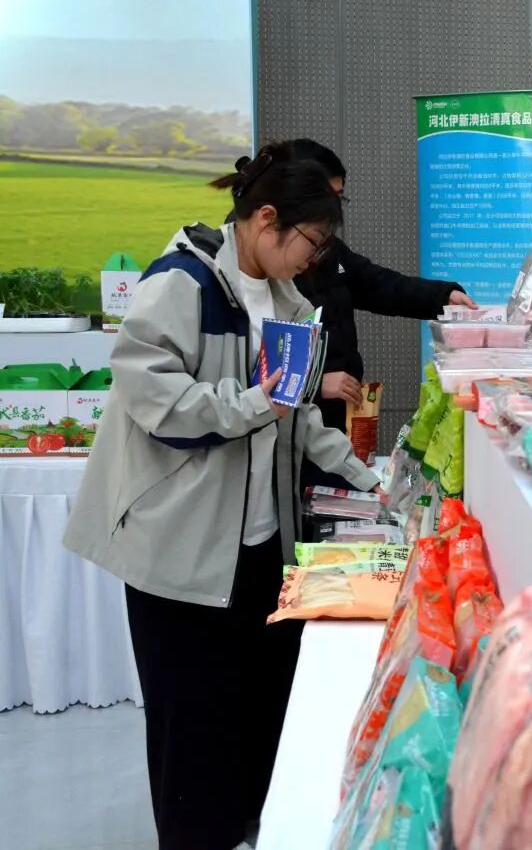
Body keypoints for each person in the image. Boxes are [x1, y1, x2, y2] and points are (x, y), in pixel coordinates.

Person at [63, 142, 380, 850]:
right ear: (266, 219)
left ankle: (247, 828)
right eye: (311, 242)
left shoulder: (291, 303)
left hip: (261, 547)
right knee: (191, 728)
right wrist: (253, 404)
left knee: (253, 712)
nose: (314, 260)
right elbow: (157, 399)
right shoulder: (181, 284)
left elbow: (297, 416)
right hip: (180, 550)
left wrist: (370, 481)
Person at [273, 139, 477, 433]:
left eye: (339, 199)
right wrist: (313, 384)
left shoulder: (329, 250)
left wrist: (442, 297)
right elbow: (253, 369)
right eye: (328, 198)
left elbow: (379, 285)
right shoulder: (257, 267)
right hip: (290, 422)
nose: (334, 213)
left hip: (336, 413)